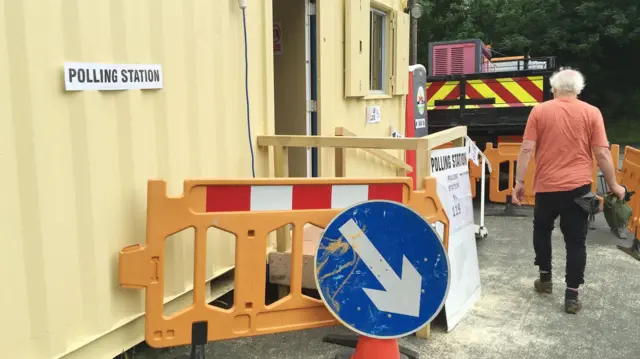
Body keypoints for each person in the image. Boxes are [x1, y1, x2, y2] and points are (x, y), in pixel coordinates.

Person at [512, 67, 626, 314]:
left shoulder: (539, 111)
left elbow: (526, 149)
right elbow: (603, 153)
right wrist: (615, 185)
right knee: (576, 242)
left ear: (554, 89)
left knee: (542, 230)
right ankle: (571, 296)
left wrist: (519, 182)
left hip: (546, 187)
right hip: (578, 189)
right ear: (578, 90)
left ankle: (545, 279)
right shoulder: (591, 112)